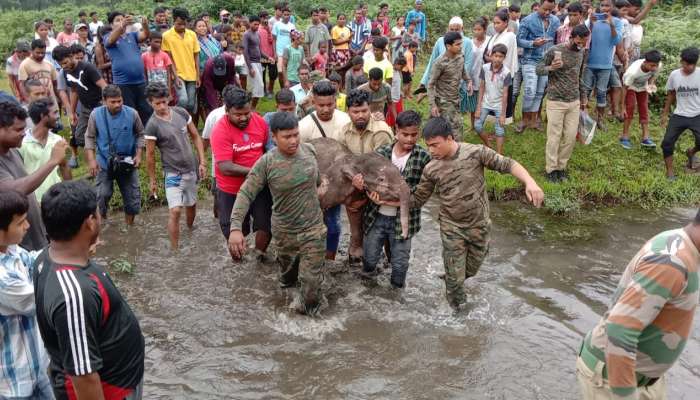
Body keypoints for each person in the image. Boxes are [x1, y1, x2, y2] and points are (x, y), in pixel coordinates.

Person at [395, 116, 543, 308]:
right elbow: (418, 199)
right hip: (451, 228)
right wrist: (392, 197)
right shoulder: (431, 168)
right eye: (428, 145)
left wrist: (530, 182)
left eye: (435, 145)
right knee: (456, 284)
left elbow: (507, 164)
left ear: (449, 138)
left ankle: (451, 274)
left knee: (470, 270)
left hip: (479, 225)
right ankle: (458, 318)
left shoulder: (475, 152)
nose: (431, 150)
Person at [34, 180, 145, 400]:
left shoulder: (46, 256)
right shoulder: (74, 295)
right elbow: (83, 376)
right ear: (90, 222)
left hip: (119, 380)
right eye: (97, 212)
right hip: (113, 391)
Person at [577, 211, 700, 400]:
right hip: (613, 380)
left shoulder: (687, 248)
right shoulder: (672, 263)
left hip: (643, 378)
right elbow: (619, 330)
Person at [228, 112, 326, 315]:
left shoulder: (309, 151)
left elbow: (317, 181)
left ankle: (309, 328)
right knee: (287, 282)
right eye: (287, 137)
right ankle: (287, 315)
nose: (294, 141)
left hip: (313, 229)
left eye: (296, 135)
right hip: (285, 232)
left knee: (310, 283)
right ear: (274, 137)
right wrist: (236, 228)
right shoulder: (266, 163)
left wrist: (321, 189)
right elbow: (246, 193)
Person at [360, 110, 431, 288]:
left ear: (419, 133)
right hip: (375, 217)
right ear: (396, 130)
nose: (409, 139)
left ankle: (396, 299)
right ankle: (369, 293)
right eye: (404, 134)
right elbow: (367, 179)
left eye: (414, 135)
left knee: (400, 266)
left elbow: (422, 192)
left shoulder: (423, 158)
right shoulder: (381, 153)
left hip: (404, 221)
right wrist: (365, 189)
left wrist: (390, 201)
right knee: (369, 260)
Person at [0, 190, 54, 400]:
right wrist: (69, 253)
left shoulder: (11, 249)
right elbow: (38, 299)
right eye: (21, 222)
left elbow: (33, 259)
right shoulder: (2, 279)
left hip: (37, 368)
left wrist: (60, 246)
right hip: (12, 384)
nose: (28, 226)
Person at [210, 87, 272, 260]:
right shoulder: (220, 130)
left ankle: (259, 257)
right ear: (227, 110)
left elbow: (267, 151)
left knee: (265, 225)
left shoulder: (260, 122)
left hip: (258, 188)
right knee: (234, 231)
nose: (244, 118)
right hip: (231, 190)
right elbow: (225, 167)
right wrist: (257, 171)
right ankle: (238, 264)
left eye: (247, 113)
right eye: (238, 114)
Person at [144, 83, 206, 249]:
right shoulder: (152, 125)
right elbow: (149, 155)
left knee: (191, 205)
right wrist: (152, 181)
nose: (162, 106)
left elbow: (196, 136)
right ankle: (175, 250)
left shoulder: (181, 112)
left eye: (164, 102)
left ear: (169, 98)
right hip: (172, 174)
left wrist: (203, 162)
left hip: (191, 169)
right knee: (175, 211)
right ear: (150, 103)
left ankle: (190, 232)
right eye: (157, 104)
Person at [0, 101, 67, 251]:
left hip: (36, 234)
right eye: (18, 129)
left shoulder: (12, 150)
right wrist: (52, 161)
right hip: (19, 247)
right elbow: (16, 190)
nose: (24, 133)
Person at [337, 89, 393, 266]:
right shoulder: (344, 132)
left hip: (380, 186)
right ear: (349, 112)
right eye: (355, 112)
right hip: (355, 185)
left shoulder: (381, 132)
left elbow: (383, 166)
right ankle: (356, 256)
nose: (360, 115)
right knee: (356, 233)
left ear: (370, 109)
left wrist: (366, 183)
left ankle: (390, 261)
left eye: (364, 111)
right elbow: (343, 162)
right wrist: (354, 178)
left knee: (383, 231)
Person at [298, 81, 351, 260]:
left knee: (334, 224)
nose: (326, 109)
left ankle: (330, 259)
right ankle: (310, 257)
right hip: (311, 182)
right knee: (309, 223)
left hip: (337, 183)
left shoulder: (345, 120)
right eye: (321, 105)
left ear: (336, 101)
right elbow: (300, 158)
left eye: (330, 104)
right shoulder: (304, 126)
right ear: (313, 102)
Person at [84, 84, 145, 226]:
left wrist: (139, 155)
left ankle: (130, 229)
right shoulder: (95, 115)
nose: (117, 104)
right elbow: (89, 137)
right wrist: (92, 160)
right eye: (113, 102)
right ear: (104, 101)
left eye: (120, 101)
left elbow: (140, 134)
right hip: (104, 162)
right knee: (102, 195)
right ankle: (102, 225)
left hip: (127, 163)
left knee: (132, 199)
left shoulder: (132, 113)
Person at [537, 24, 590, 183]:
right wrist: (551, 67)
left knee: (570, 137)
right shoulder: (554, 50)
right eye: (579, 41)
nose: (581, 45)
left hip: (573, 101)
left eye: (585, 42)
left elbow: (578, 76)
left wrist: (584, 96)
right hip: (555, 101)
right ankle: (551, 169)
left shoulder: (581, 54)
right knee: (554, 136)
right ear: (572, 37)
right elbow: (538, 69)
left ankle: (561, 167)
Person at [54, 46, 107, 168]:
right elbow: (74, 91)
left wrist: (105, 106)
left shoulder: (87, 67)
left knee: (102, 133)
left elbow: (104, 86)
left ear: (72, 56)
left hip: (99, 105)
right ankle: (98, 153)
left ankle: (102, 159)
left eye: (66, 62)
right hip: (85, 108)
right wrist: (72, 112)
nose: (64, 66)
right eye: (61, 65)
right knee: (79, 137)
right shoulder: (67, 71)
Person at [517, 0, 560, 132]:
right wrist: (532, 43)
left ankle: (534, 120)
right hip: (530, 60)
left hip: (546, 62)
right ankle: (524, 119)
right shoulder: (528, 20)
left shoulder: (556, 21)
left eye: (550, 10)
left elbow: (556, 40)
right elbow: (518, 40)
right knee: (530, 91)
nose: (547, 13)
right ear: (539, 6)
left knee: (540, 92)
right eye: (544, 9)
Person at [417, 17, 474, 117]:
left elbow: (466, 66)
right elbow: (432, 62)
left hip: (455, 87)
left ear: (462, 28)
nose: (454, 31)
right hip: (439, 85)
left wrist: (458, 84)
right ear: (448, 29)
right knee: (436, 114)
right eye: (451, 29)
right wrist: (423, 83)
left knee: (452, 116)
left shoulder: (467, 42)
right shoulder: (440, 41)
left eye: (457, 29)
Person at [19, 98, 72, 202]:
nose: (58, 117)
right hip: (34, 202)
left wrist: (70, 193)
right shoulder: (21, 144)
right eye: (55, 113)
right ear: (43, 116)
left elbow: (65, 167)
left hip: (57, 199)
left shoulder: (57, 140)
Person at [104, 11, 153, 124]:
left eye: (123, 19)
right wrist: (123, 25)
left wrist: (145, 24)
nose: (122, 21)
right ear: (111, 25)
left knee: (146, 111)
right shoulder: (108, 37)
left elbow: (145, 35)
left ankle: (148, 138)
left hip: (140, 81)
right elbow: (111, 40)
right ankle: (133, 138)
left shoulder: (132, 35)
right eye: (118, 20)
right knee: (129, 113)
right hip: (123, 83)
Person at [582, 0, 623, 131]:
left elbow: (616, 41)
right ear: (599, 7)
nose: (604, 8)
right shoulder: (593, 20)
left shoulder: (617, 22)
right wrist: (591, 22)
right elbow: (584, 37)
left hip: (605, 64)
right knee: (585, 91)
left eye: (607, 6)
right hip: (590, 62)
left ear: (612, 7)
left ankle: (600, 120)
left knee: (601, 92)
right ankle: (581, 119)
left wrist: (611, 25)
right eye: (602, 5)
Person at [661, 47, 700, 181]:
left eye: (691, 64)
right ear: (681, 61)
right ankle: (670, 172)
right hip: (679, 114)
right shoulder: (674, 75)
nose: (688, 67)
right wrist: (665, 114)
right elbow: (671, 94)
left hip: (697, 114)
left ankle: (691, 152)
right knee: (667, 142)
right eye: (685, 63)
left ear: (696, 63)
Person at [428, 31, 473, 139]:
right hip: (444, 102)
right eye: (457, 44)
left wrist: (468, 81)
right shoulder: (439, 63)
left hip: (456, 99)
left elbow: (463, 71)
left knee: (449, 130)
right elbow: (430, 85)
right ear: (448, 46)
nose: (461, 47)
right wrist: (433, 105)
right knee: (454, 131)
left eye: (461, 43)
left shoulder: (460, 56)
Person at [162, 8, 200, 117]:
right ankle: (173, 119)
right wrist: (175, 76)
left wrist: (198, 75)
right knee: (183, 100)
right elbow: (168, 58)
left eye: (184, 24)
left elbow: (196, 55)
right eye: (179, 24)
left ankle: (186, 126)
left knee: (191, 104)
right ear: (174, 21)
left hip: (192, 74)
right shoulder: (167, 36)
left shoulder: (192, 34)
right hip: (178, 74)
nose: (182, 27)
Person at [475, 44, 512, 155]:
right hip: (486, 102)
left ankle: (499, 154)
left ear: (504, 58)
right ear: (491, 56)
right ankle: (488, 143)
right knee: (477, 125)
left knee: (499, 129)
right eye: (495, 56)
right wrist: (478, 107)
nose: (497, 59)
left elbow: (505, 94)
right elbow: (481, 87)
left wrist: (503, 115)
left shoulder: (506, 73)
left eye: (500, 57)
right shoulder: (485, 68)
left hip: (499, 105)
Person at [620, 49, 661, 149]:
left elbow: (652, 76)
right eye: (652, 65)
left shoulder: (657, 66)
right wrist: (622, 107)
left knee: (644, 108)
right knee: (630, 107)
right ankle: (624, 136)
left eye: (655, 65)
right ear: (645, 62)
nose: (654, 68)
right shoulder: (633, 72)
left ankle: (646, 138)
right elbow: (624, 88)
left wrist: (651, 84)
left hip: (643, 86)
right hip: (630, 86)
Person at [18, 39, 58, 106]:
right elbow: (22, 85)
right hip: (36, 103)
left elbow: (55, 84)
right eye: (38, 52)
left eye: (43, 53)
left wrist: (59, 99)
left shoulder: (49, 65)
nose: (40, 55)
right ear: (31, 51)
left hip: (51, 102)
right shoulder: (25, 64)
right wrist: (29, 100)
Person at [468, 18, 490, 130]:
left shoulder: (490, 41)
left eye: (479, 29)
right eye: (475, 29)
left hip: (486, 76)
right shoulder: (469, 42)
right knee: (473, 103)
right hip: (472, 75)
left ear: (485, 29)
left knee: (484, 102)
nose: (477, 32)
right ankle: (473, 126)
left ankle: (480, 125)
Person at [242, 15, 265, 109]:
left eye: (258, 24)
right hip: (251, 63)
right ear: (250, 23)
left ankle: (251, 109)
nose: (257, 26)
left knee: (255, 88)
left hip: (258, 63)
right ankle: (251, 109)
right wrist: (250, 67)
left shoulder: (257, 34)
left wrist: (269, 57)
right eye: (255, 24)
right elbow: (245, 51)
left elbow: (260, 50)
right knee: (259, 86)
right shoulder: (246, 34)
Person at [272, 6, 296, 88]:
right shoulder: (277, 25)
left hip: (289, 52)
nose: (286, 16)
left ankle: (289, 87)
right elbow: (274, 39)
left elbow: (293, 39)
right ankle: (282, 88)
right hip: (279, 53)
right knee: (280, 72)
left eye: (288, 15)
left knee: (289, 71)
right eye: (285, 14)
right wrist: (274, 53)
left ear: (290, 15)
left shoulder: (292, 26)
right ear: (282, 15)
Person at [386, 57, 405, 127]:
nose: (402, 69)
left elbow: (398, 84)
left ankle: (396, 126)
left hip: (397, 97)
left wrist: (400, 92)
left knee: (399, 113)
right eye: (401, 67)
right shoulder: (390, 72)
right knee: (393, 115)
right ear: (397, 64)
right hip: (392, 97)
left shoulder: (398, 72)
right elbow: (388, 85)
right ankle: (393, 128)